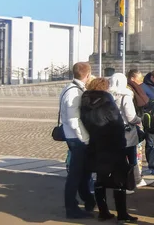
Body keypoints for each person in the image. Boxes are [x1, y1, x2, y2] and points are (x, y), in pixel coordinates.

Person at [80, 78, 137, 223]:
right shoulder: (108, 103)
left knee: (100, 179)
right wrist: (122, 144)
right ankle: (122, 214)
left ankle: (103, 212)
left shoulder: (85, 103)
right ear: (105, 89)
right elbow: (116, 125)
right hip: (113, 146)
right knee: (119, 181)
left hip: (95, 144)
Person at [60, 62, 94, 219]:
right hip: (76, 138)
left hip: (73, 136)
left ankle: (86, 200)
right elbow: (74, 120)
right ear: (87, 75)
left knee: (81, 172)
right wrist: (85, 139)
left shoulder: (69, 88)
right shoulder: (74, 92)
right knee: (75, 175)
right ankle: (71, 207)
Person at [109, 73, 145, 191]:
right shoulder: (125, 95)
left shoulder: (108, 95)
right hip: (127, 131)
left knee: (117, 157)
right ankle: (132, 182)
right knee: (131, 158)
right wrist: (139, 120)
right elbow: (131, 116)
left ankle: (118, 181)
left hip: (113, 130)